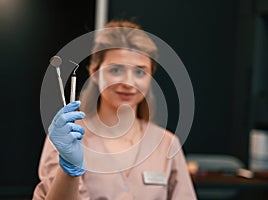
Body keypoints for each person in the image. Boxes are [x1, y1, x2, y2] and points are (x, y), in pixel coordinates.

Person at [33, 20, 197, 200]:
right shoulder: (69, 137)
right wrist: (69, 172)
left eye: (140, 72)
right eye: (116, 70)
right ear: (94, 72)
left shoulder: (167, 144)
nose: (128, 82)